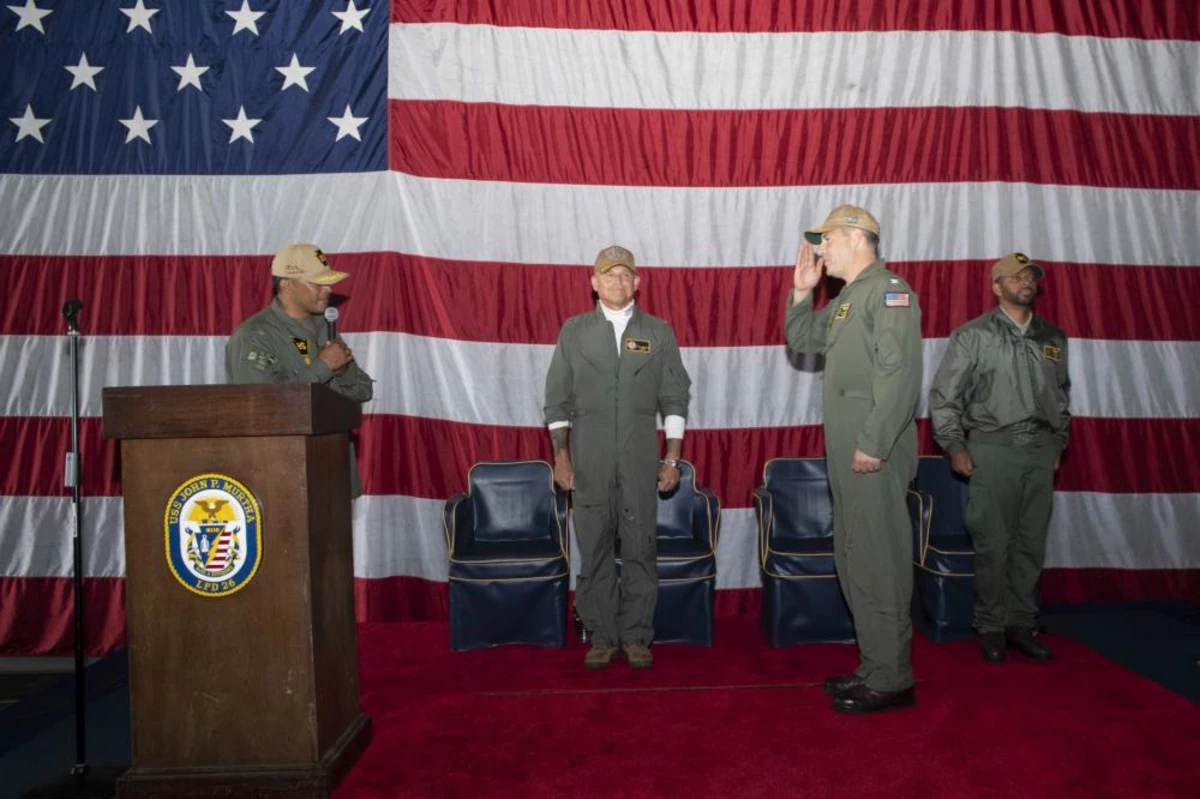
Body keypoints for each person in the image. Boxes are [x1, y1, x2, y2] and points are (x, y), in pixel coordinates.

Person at [784, 205, 922, 714]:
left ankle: (892, 677)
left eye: (827, 240)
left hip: (871, 450)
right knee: (854, 554)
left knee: (879, 557)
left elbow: (900, 375)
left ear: (857, 237)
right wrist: (802, 292)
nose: (821, 250)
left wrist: (874, 440)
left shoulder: (891, 292)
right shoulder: (849, 299)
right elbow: (801, 340)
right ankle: (875, 664)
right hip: (850, 450)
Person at [544, 245, 691, 670]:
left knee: (642, 547)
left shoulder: (659, 332)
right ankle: (603, 636)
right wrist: (561, 457)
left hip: (641, 459)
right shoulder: (574, 332)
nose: (618, 282)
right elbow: (557, 401)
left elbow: (674, 397)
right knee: (595, 549)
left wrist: (673, 457)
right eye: (609, 275)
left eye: (626, 275)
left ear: (638, 282)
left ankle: (638, 635)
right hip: (588, 461)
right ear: (594, 283)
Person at [929, 252, 1070, 663]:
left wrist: (1059, 442)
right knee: (994, 542)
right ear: (997, 287)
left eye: (1030, 277)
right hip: (993, 447)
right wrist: (955, 446)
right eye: (1016, 277)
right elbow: (944, 398)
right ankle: (990, 625)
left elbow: (1062, 395)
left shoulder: (1052, 337)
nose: (1025, 282)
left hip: (1041, 449)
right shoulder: (973, 335)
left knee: (1030, 542)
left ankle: (1021, 622)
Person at [225, 243, 374, 496]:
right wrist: (324, 366)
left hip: (331, 472)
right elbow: (263, 406)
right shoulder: (254, 336)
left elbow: (362, 391)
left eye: (328, 282)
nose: (327, 290)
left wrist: (340, 370)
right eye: (316, 284)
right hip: (280, 478)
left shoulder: (323, 327)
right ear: (287, 285)